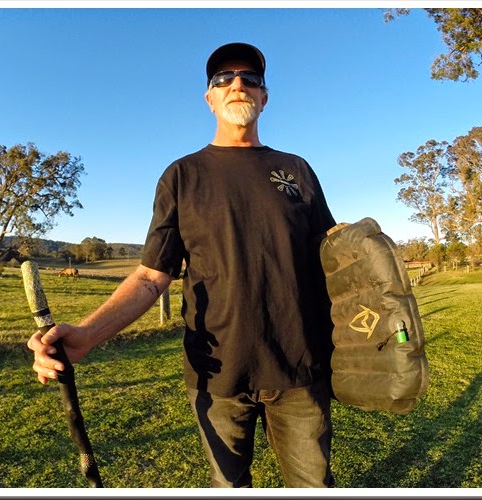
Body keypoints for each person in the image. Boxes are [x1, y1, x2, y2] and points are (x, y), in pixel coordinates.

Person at [28, 42, 337, 488]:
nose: (237, 84)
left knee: (314, 486)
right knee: (229, 487)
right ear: (209, 98)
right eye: (223, 79)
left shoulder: (296, 170)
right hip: (217, 375)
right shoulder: (182, 176)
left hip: (300, 369)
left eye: (250, 78)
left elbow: (333, 259)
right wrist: (87, 334)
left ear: (264, 97)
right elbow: (151, 276)